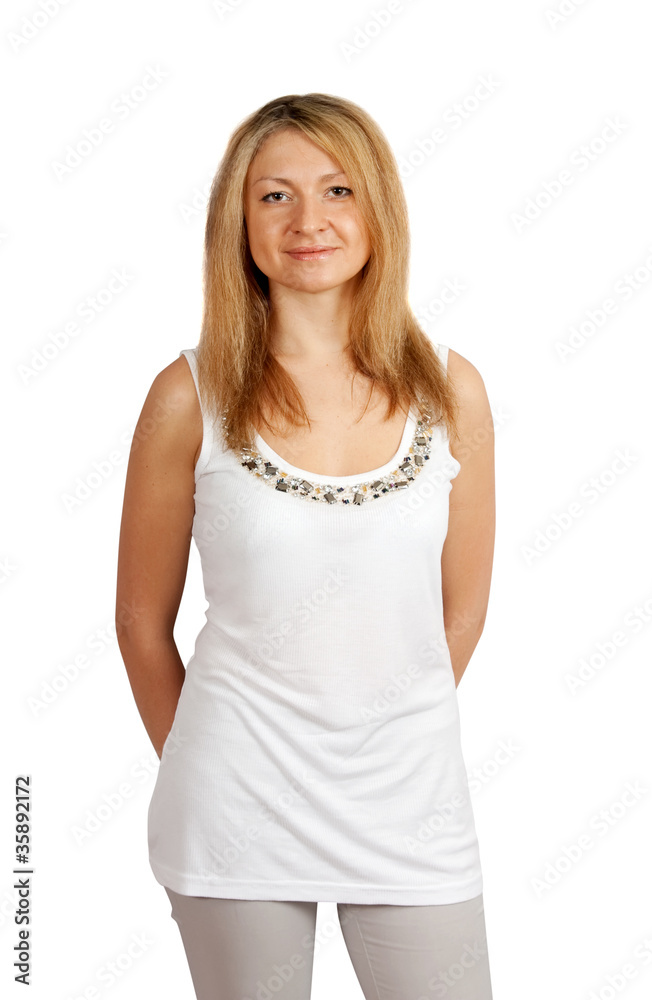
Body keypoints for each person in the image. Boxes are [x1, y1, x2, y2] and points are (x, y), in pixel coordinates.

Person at [116, 92, 496, 1000]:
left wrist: (374, 732)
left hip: (412, 811)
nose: (308, 221)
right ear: (239, 221)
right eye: (274, 196)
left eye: (337, 189)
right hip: (233, 813)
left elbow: (463, 611)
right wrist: (213, 764)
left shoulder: (452, 392)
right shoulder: (188, 395)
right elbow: (139, 622)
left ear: (378, 208)